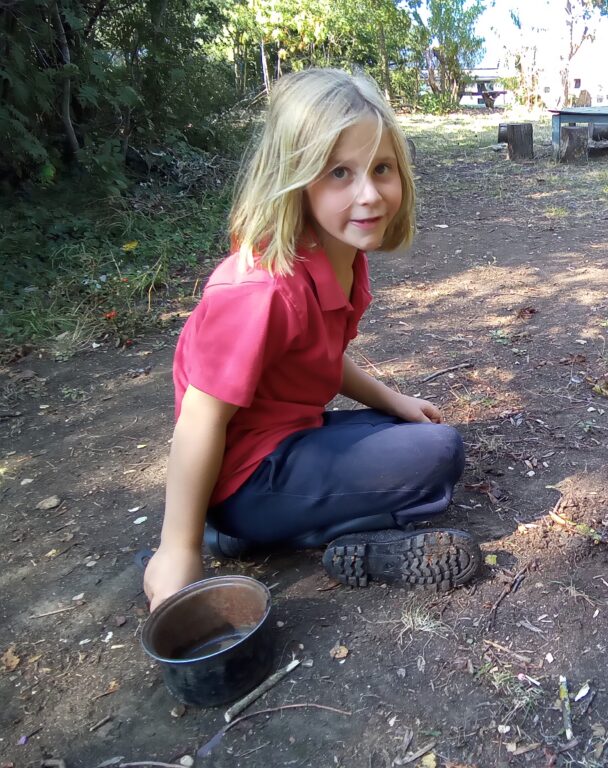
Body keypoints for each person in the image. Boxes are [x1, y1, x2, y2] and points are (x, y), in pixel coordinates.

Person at [143, 69, 480, 610]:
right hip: (247, 478)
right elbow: (201, 418)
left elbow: (318, 360)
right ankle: (254, 535)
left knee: (415, 430)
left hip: (292, 436)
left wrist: (394, 400)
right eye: (339, 173)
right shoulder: (262, 291)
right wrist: (176, 549)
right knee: (439, 453)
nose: (369, 194)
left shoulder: (341, 258)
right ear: (297, 180)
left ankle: (286, 523)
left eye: (382, 169)